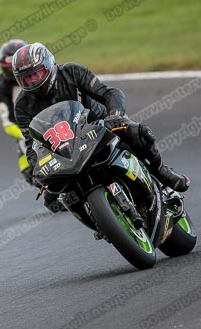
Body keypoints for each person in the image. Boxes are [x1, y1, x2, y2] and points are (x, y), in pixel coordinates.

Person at [11, 43, 189, 211]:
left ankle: (161, 171)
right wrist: (38, 170)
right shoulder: (21, 105)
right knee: (54, 200)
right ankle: (99, 219)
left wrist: (114, 116)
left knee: (139, 134)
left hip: (100, 126)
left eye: (36, 73)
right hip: (66, 150)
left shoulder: (72, 72)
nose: (33, 81)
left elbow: (110, 93)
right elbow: (31, 143)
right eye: (26, 78)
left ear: (49, 66)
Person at [0, 39, 34, 184]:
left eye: (16, 67)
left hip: (51, 121)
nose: (14, 71)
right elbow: (7, 123)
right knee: (30, 173)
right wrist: (26, 135)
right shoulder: (0, 88)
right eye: (9, 69)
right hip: (25, 131)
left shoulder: (39, 74)